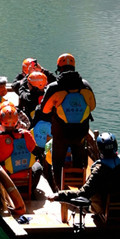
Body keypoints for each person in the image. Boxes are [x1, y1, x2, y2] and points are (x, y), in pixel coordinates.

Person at [53, 132, 120, 222]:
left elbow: (83, 193)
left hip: (105, 212)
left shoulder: (99, 169)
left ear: (100, 149)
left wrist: (59, 195)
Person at [39, 53, 96, 191]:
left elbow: (44, 110)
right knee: (78, 159)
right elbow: (92, 105)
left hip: (61, 133)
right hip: (81, 131)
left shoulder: (54, 87)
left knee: (57, 162)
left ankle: (60, 189)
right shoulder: (85, 85)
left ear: (59, 68)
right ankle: (80, 188)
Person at [0, 101, 43, 197]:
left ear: (0, 120)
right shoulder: (25, 134)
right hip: (24, 174)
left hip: (5, 178)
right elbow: (35, 150)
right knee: (38, 167)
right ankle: (30, 189)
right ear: (17, 121)